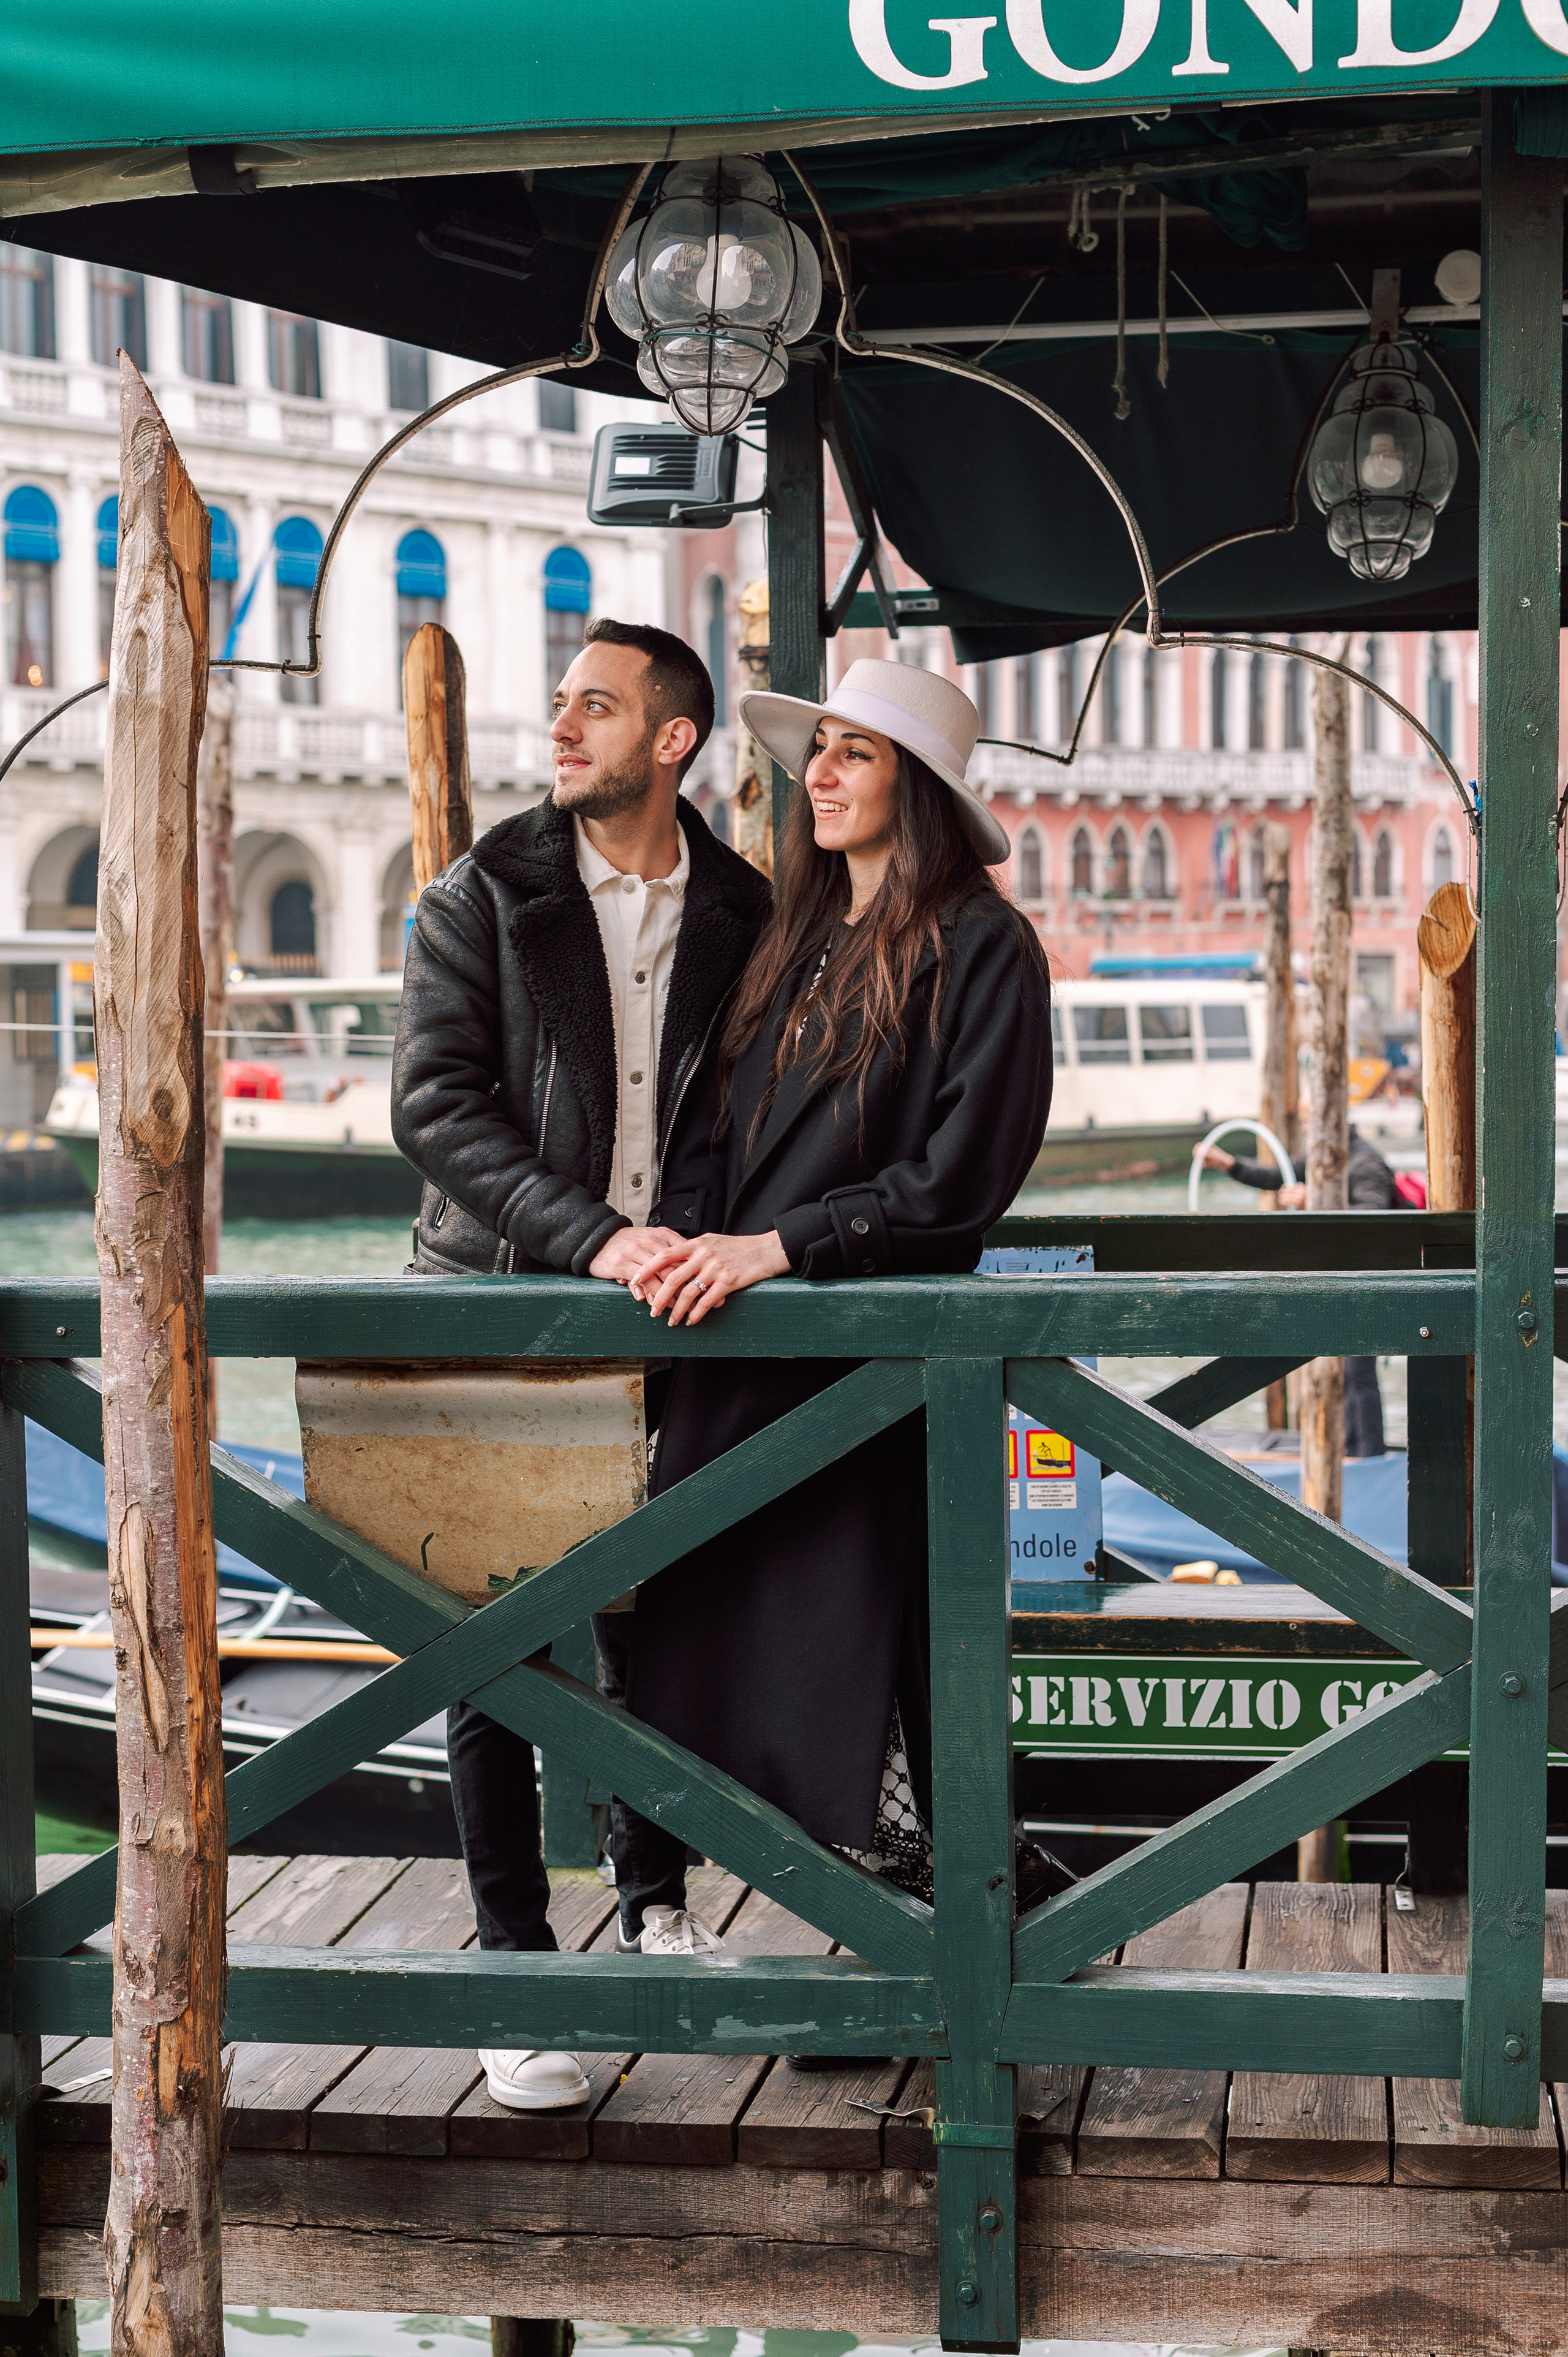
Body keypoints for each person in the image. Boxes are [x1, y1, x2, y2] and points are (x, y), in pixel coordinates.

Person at [616, 657, 1067, 1929]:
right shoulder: (796, 937)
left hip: (870, 1363)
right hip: (737, 1350)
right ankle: (713, 1913)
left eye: (852, 754)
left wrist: (780, 1246)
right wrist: (679, 1242)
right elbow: (712, 1133)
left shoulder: (986, 947)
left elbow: (959, 1181)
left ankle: (951, 1935)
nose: (816, 773)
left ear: (913, 786)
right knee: (707, 1640)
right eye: (817, 749)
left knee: (861, 1656)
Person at [391, 616, 771, 2111]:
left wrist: (706, 1241)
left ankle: (654, 1904)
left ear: (671, 741)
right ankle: (513, 1966)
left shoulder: (742, 907)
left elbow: (750, 1114)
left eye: (595, 707)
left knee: (656, 1617)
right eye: (559, 702)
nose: (561, 726)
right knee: (501, 1641)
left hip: (671, 1311)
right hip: (499, 1304)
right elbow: (436, 1109)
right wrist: (597, 1239)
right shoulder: (479, 892)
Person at [1199, 1124, 1397, 1455]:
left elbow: (1374, 1216)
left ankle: (1369, 1456)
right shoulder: (1323, 1154)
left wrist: (1313, 1203)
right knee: (1346, 1371)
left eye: (1309, 1120)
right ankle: (1353, 1450)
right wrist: (1229, 1164)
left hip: (1370, 1280)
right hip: (1342, 1278)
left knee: (1358, 1372)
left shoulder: (1366, 1163)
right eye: (1304, 1120)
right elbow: (1277, 1176)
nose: (1304, 1126)